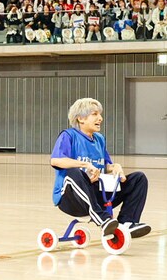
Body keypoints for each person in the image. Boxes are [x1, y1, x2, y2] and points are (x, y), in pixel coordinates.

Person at [50, 97, 151, 238]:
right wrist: (84, 164)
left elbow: (104, 165)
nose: (100, 118)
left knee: (138, 178)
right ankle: (102, 219)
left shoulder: (99, 139)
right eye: (95, 114)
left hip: (96, 194)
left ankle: (127, 223)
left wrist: (115, 167)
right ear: (81, 119)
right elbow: (56, 160)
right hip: (70, 199)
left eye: (100, 114)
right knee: (74, 172)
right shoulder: (68, 136)